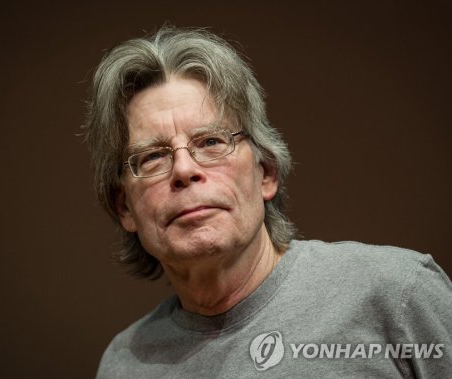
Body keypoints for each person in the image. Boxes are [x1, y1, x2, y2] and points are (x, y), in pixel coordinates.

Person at [84, 25, 452, 378]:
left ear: (266, 173)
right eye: (152, 157)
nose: (183, 169)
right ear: (124, 208)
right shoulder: (125, 363)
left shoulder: (398, 294)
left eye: (211, 142)